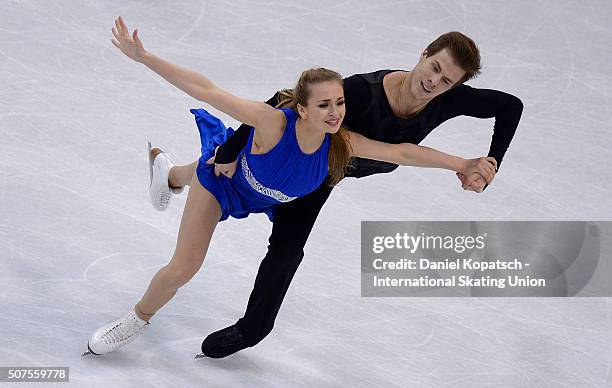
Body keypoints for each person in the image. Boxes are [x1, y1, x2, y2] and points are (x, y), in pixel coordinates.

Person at [82, 18, 496, 357]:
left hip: (265, 194)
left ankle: (168, 173)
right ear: (301, 107)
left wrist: (463, 164)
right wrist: (145, 57)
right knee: (184, 266)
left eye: (340, 104)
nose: (335, 113)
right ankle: (136, 319)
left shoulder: (343, 142)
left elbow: (404, 152)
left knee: (217, 166)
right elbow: (206, 90)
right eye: (324, 105)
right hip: (224, 188)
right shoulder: (273, 122)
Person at [181, 31, 523, 358]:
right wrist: (230, 147)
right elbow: (285, 101)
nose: (434, 82)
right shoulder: (362, 91)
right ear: (423, 55)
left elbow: (511, 106)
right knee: (235, 190)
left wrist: (486, 166)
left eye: (447, 81)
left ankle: (251, 328)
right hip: (308, 163)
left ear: (455, 87)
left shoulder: (448, 99)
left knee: (285, 247)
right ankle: (179, 176)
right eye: (434, 67)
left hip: (329, 174)